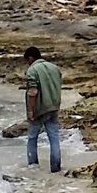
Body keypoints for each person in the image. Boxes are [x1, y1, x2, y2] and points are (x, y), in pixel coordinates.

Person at [20, 45, 63, 174]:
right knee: (54, 138)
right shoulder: (55, 68)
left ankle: (33, 167)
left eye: (27, 61)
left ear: (31, 58)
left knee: (32, 137)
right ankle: (56, 169)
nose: (27, 64)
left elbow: (32, 92)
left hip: (39, 109)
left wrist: (30, 111)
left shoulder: (32, 70)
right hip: (54, 107)